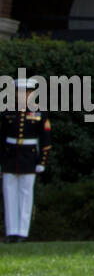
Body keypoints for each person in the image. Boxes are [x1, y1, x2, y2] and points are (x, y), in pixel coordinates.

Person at [1, 79, 51, 242]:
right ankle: (11, 231)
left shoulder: (39, 112)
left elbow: (45, 139)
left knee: (26, 195)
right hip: (9, 157)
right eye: (20, 92)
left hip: (29, 158)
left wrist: (42, 161)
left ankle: (22, 232)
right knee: (9, 195)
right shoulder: (7, 110)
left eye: (26, 92)